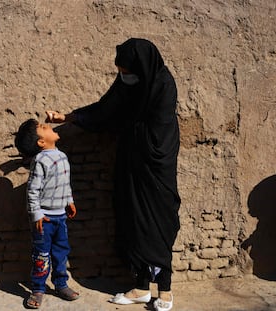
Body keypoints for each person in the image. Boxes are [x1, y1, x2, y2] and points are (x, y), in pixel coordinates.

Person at [46, 38, 181, 311]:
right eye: (120, 71)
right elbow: (107, 107)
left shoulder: (163, 85)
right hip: (131, 166)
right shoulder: (127, 83)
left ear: (141, 67)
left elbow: (160, 132)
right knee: (134, 224)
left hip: (156, 169)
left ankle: (164, 290)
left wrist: (134, 133)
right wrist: (69, 117)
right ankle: (141, 288)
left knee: (160, 224)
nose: (123, 77)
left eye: (127, 72)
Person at [15, 119, 79, 309]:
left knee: (61, 252)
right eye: (43, 128)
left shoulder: (62, 156)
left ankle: (61, 284)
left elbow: (65, 184)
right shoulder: (40, 160)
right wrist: (36, 214)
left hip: (61, 217)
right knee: (42, 255)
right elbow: (32, 190)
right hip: (44, 219)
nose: (48, 126)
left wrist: (69, 201)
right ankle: (38, 289)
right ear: (41, 142)